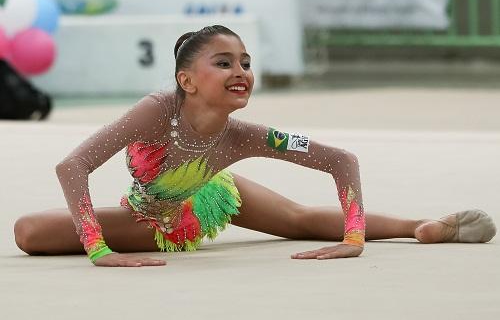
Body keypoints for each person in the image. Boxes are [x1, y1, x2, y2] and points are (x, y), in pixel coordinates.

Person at [13, 25, 497, 267]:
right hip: (152, 215)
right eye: (223, 63)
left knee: (300, 220)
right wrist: (99, 249)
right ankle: (410, 227)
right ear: (187, 79)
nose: (241, 72)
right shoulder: (156, 112)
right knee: (28, 232)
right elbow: (72, 165)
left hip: (207, 193)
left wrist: (352, 239)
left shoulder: (246, 135)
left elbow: (339, 159)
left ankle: (423, 227)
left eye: (245, 62)